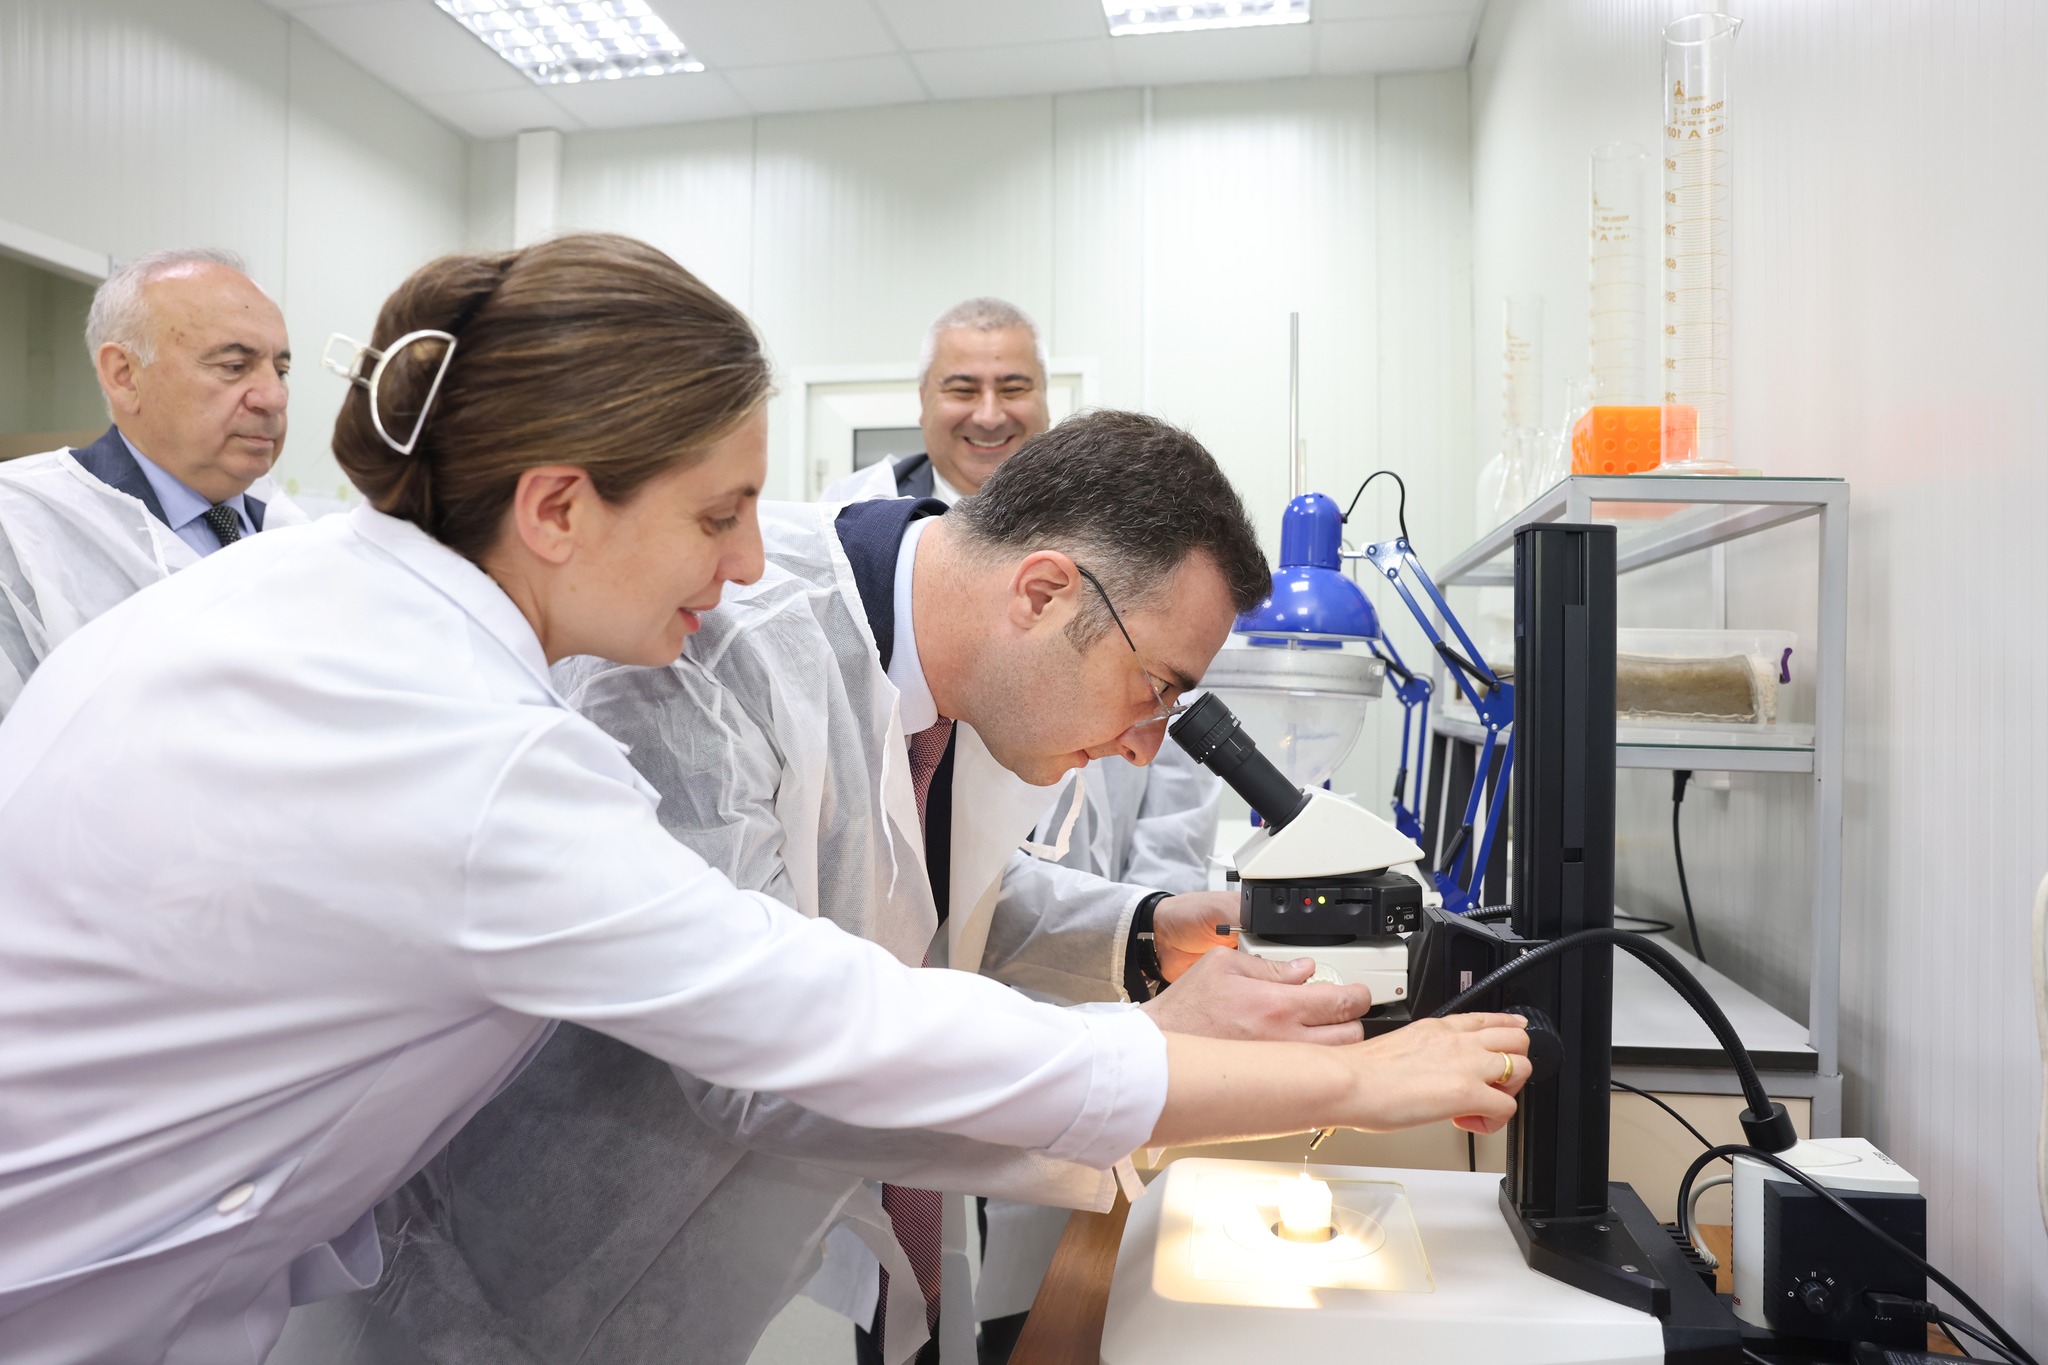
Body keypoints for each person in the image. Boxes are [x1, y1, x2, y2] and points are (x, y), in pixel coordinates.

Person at [0, 233, 1531, 1364]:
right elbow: (815, 1020)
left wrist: (1144, 951)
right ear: (557, 506)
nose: (743, 560)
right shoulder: (477, 750)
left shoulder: (326, 605)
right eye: (717, 512)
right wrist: (1329, 1081)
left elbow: (896, 916)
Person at [277, 410, 1391, 1365]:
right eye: (1153, 689)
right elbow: (751, 1049)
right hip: (490, 1297)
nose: (1146, 746)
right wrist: (1151, 1053)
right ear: (1045, 592)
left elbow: (913, 905)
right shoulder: (711, 656)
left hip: (709, 1284)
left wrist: (1146, 931)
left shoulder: (960, 678)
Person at [0, 246, 305, 716]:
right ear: (125, 376)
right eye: (233, 366)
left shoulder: (292, 529)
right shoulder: (21, 529)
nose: (273, 397)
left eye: (280, 371)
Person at [823, 296, 1045, 507]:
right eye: (963, 390)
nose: (989, 418)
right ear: (923, 401)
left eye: (1013, 389)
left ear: (1044, 398)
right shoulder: (848, 507)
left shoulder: (1070, 508)